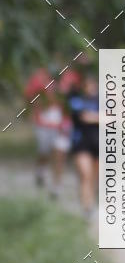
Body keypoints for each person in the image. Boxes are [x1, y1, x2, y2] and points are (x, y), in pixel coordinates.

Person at [24, 66, 71, 197]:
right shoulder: (40, 79)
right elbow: (29, 97)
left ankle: (57, 186)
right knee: (44, 152)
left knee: (60, 154)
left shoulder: (68, 80)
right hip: (44, 124)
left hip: (61, 124)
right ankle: (40, 171)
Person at [69, 70, 100, 218]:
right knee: (85, 174)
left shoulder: (102, 100)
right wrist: (100, 117)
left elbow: (115, 117)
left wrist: (97, 117)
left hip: (99, 143)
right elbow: (82, 117)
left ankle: (91, 201)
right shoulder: (77, 100)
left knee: (95, 177)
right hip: (81, 142)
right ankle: (86, 207)